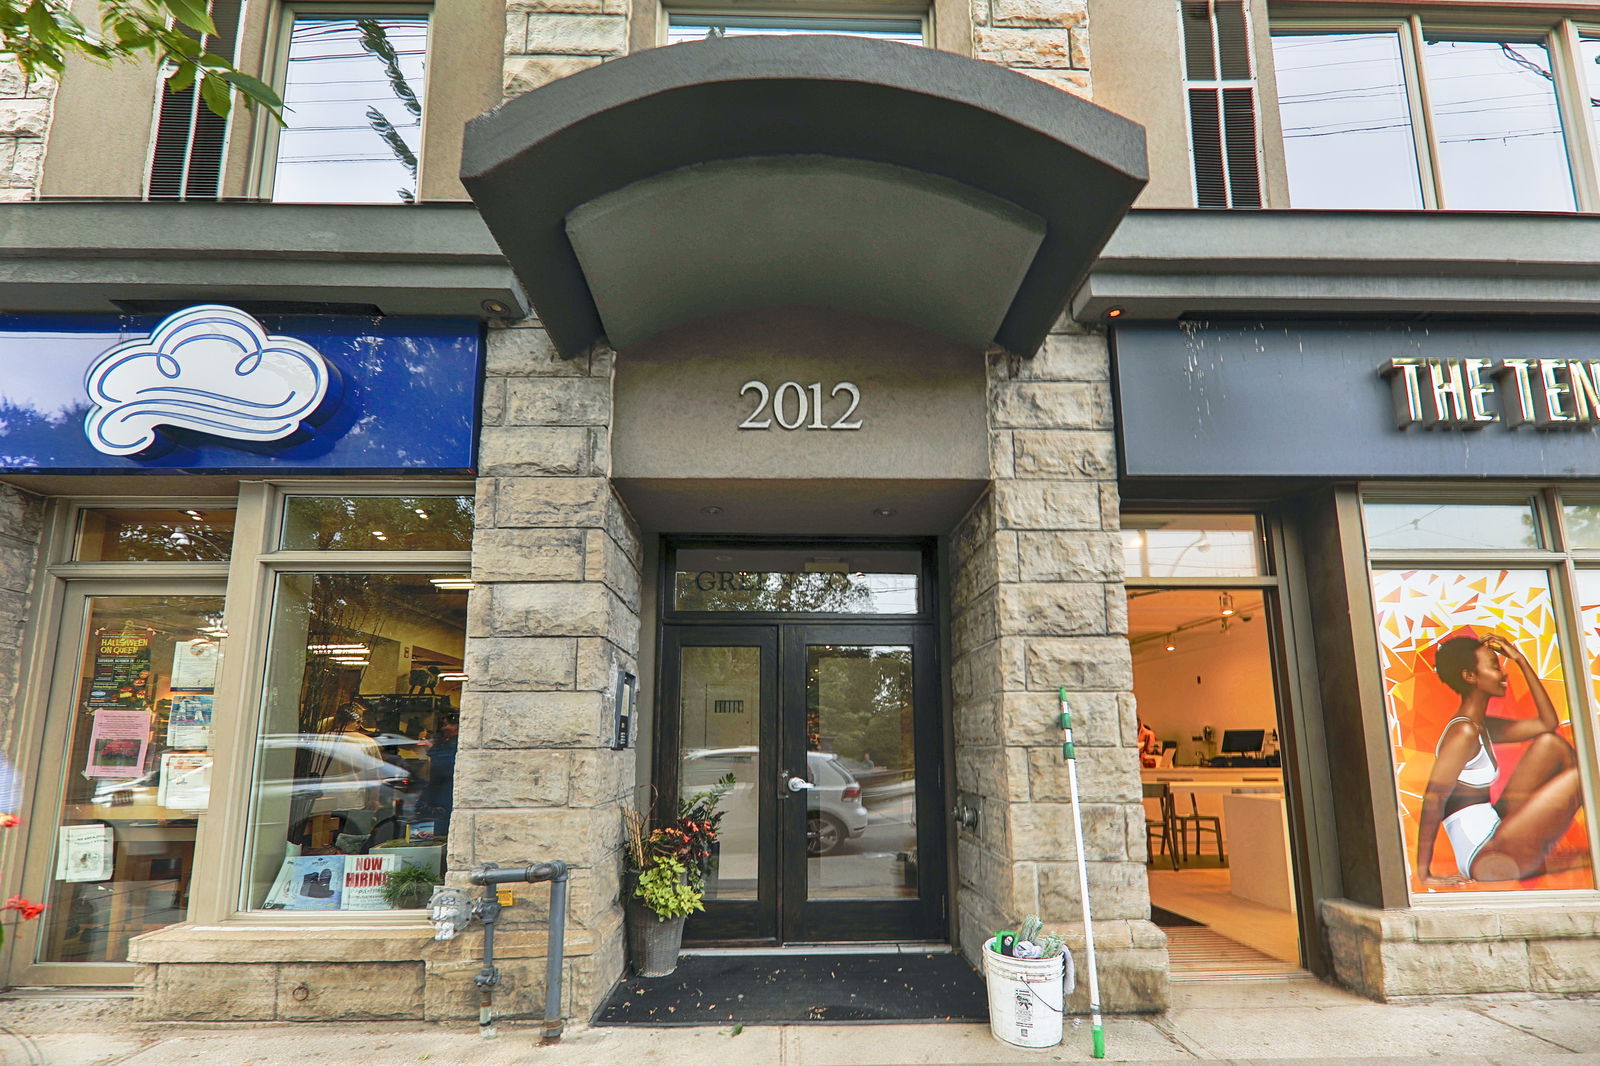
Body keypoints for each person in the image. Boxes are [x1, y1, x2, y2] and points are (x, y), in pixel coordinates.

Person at [1416, 633, 1583, 886]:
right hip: (1487, 857)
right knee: (1582, 777)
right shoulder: (1463, 733)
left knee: (1551, 744)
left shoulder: (1482, 726)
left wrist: (1519, 659)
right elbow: (1433, 798)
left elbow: (1547, 724)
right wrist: (1425, 874)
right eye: (1495, 667)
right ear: (1470, 677)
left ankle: (1567, 836)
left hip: (1495, 830)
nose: (1503, 674)